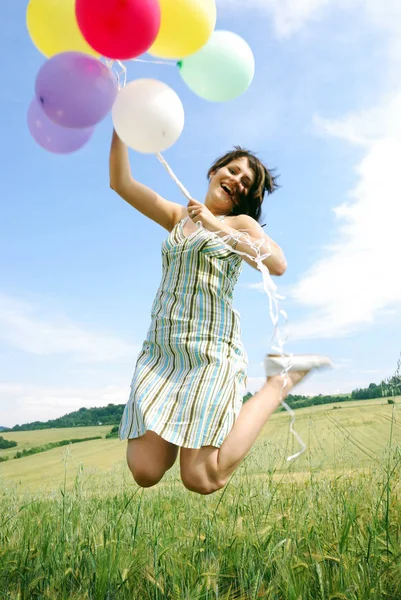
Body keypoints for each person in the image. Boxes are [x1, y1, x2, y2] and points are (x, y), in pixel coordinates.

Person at [109, 130, 332, 496]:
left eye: (247, 182)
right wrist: (122, 127)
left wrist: (215, 226)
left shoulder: (241, 226)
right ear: (214, 171)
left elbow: (277, 263)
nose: (236, 181)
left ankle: (279, 382)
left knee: (203, 479)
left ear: (248, 197)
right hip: (162, 353)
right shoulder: (177, 217)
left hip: (210, 352)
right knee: (145, 471)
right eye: (232, 171)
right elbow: (121, 182)